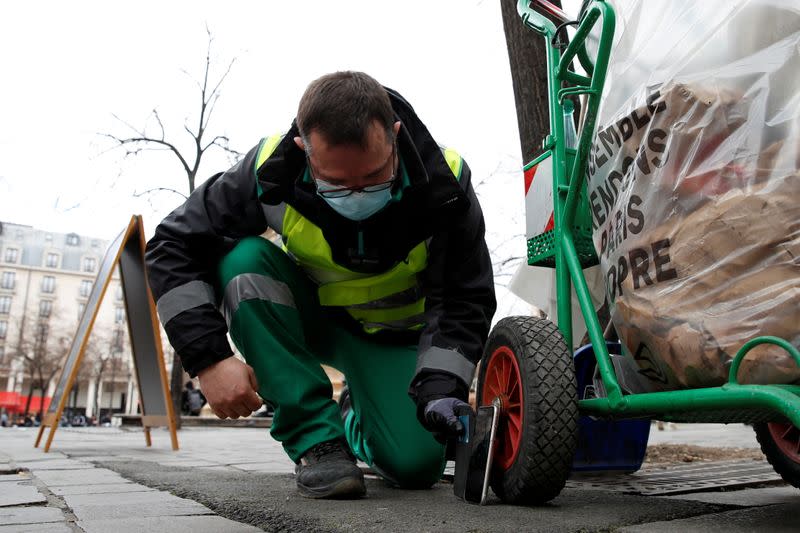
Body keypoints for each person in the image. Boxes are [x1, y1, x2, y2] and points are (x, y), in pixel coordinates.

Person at [146, 71, 496, 499]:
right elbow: (171, 244)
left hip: (394, 339)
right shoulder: (270, 171)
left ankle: (353, 413)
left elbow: (465, 296)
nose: (356, 195)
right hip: (316, 322)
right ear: (303, 151)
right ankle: (318, 442)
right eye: (336, 183)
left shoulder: (444, 184)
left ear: (395, 136)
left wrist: (442, 386)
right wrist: (209, 358)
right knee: (244, 263)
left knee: (416, 466)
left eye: (373, 178)